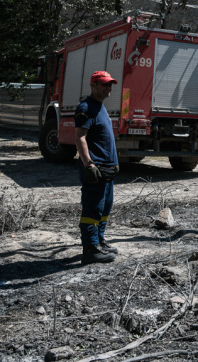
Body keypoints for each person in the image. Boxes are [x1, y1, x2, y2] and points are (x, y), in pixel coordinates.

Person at [75, 70, 121, 264]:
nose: (108, 88)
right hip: (96, 167)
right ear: (93, 85)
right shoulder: (86, 107)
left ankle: (99, 241)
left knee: (104, 208)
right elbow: (79, 137)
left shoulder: (101, 107)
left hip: (107, 168)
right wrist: (89, 164)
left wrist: (115, 162)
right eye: (104, 84)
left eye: (110, 84)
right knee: (93, 209)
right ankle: (90, 249)